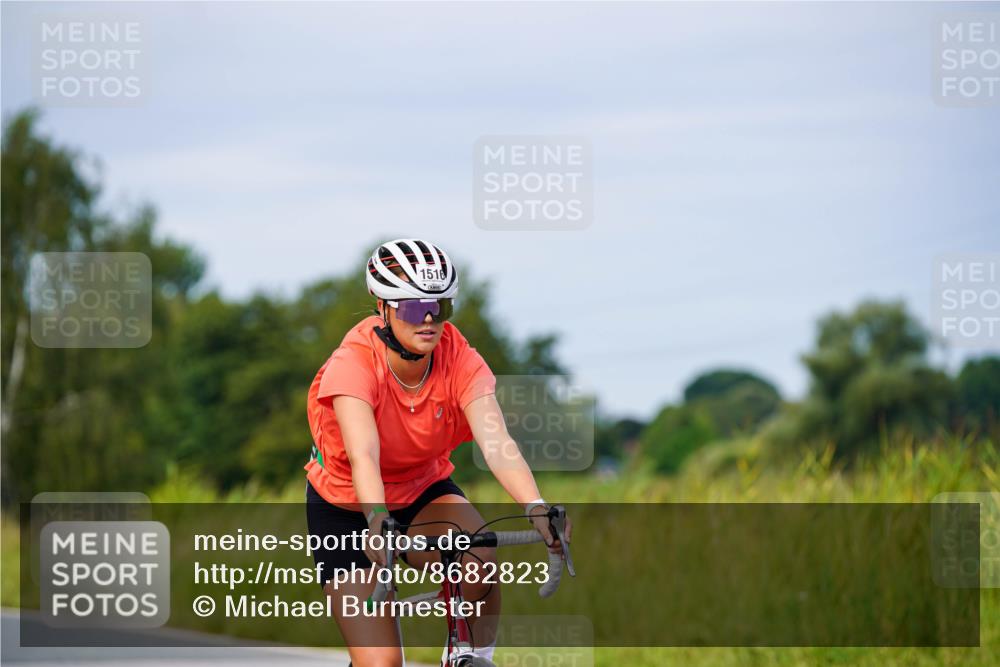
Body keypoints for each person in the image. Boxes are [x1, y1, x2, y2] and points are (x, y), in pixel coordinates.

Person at [305, 238, 570, 667]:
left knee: (479, 555)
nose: (428, 319)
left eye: (440, 307)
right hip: (350, 506)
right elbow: (363, 455)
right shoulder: (352, 364)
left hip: (422, 490)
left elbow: (497, 442)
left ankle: (475, 658)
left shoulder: (459, 357)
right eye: (412, 308)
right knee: (383, 664)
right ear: (383, 307)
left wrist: (536, 506)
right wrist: (375, 519)